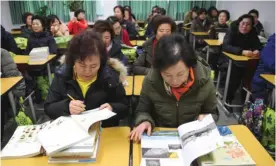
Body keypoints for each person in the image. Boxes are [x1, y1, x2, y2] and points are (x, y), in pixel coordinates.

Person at [130, 34, 218, 141]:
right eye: (167, 75)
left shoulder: (204, 81)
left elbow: (213, 112)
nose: (174, 81)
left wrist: (205, 118)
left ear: (190, 66)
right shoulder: (151, 81)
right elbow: (142, 111)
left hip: (193, 138)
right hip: (161, 136)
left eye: (180, 74)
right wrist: (144, 121)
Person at [44, 30, 128, 127]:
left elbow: (125, 107)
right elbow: (48, 108)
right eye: (82, 65)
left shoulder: (110, 77)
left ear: (101, 62)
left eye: (93, 66)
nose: (87, 71)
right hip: (72, 131)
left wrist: (112, 108)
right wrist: (66, 107)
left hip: (103, 133)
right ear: (73, 61)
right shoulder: (62, 75)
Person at [222, 14, 262, 105]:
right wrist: (241, 51)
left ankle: (246, 101)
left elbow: (258, 45)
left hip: (246, 62)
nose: (244, 26)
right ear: (239, 22)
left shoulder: (252, 33)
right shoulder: (232, 30)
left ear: (251, 27)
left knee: (252, 75)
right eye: (243, 23)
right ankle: (228, 99)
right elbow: (225, 46)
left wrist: (257, 50)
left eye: (248, 25)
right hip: (229, 60)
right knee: (235, 74)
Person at [251, 33, 275, 100]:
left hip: (270, 85)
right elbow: (272, 65)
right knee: (258, 109)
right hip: (261, 85)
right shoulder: (271, 45)